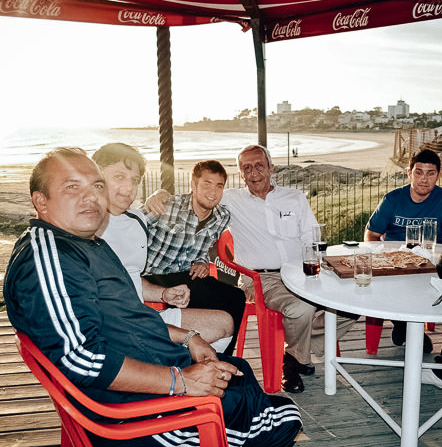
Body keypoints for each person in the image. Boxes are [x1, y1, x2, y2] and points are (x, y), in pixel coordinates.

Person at [3, 147, 302, 447]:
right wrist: (182, 380)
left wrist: (187, 338)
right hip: (135, 412)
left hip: (149, 358)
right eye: (72, 187)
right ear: (41, 201)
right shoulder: (49, 257)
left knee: (242, 372)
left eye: (96, 185)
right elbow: (84, 361)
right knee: (273, 418)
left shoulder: (85, 243)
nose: (91, 197)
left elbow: (129, 312)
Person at [146, 145, 358, 394]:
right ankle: (294, 360)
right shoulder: (230, 199)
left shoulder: (294, 197)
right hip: (263, 277)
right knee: (301, 308)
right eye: (246, 167)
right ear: (241, 174)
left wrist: (317, 267)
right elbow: (200, 192)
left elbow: (311, 237)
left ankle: (295, 351)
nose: (254, 172)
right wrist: (159, 194)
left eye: (259, 165)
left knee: (350, 305)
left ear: (271, 168)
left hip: (303, 271)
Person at [92, 143, 233, 352]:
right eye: (119, 176)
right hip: (117, 331)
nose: (129, 188)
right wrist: (159, 195)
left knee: (225, 321)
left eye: (135, 180)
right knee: (232, 372)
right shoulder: (83, 227)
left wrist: (163, 294)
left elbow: (129, 277)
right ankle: (188, 371)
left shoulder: (134, 221)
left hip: (144, 312)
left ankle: (196, 368)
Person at [141, 160, 246, 356]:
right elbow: (132, 225)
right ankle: (190, 355)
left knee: (236, 297)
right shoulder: (169, 206)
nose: (212, 192)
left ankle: (223, 358)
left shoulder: (221, 217)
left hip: (187, 274)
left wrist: (203, 262)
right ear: (193, 185)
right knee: (197, 298)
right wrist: (153, 197)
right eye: (206, 184)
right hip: (154, 274)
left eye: (219, 186)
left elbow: (205, 246)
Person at [364, 148, 442, 355]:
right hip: (396, 265)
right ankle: (405, 328)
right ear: (409, 173)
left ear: (438, 175)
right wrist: (381, 258)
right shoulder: (392, 200)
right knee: (383, 289)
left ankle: (405, 328)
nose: (424, 179)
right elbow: (371, 235)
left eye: (430, 173)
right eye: (418, 172)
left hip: (432, 265)